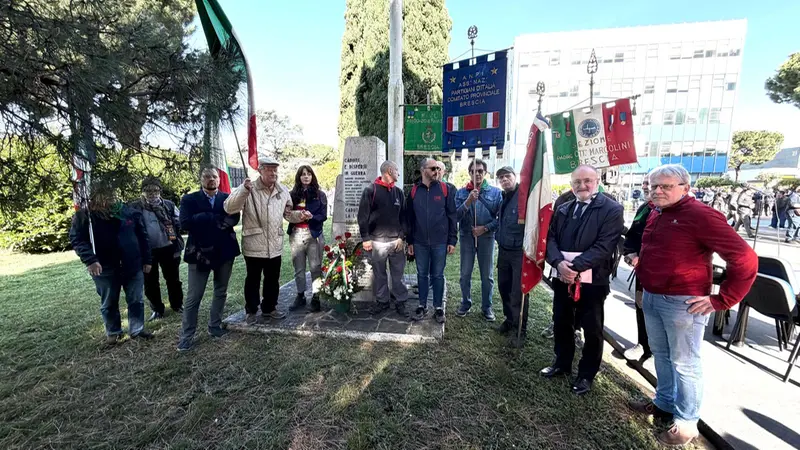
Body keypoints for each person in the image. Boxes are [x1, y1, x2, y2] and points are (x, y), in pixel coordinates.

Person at [630, 164, 757, 446]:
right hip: (652, 296)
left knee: (685, 364)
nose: (658, 191)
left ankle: (687, 424)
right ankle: (663, 403)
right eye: (654, 186)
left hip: (682, 304)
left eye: (666, 186)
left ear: (686, 188)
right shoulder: (656, 212)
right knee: (661, 355)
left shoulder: (701, 215)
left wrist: (722, 299)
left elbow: (745, 259)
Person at [540, 165, 624, 396]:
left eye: (587, 181)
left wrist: (575, 268)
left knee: (592, 329)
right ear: (571, 184)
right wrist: (558, 263)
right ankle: (562, 363)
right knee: (561, 321)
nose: (582, 186)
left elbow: (605, 246)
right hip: (562, 277)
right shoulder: (564, 208)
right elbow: (551, 239)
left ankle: (586, 375)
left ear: (597, 181)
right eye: (577, 182)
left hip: (593, 282)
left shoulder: (612, 209)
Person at [224, 157, 308, 325]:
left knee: (272, 279)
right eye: (269, 169)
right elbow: (229, 207)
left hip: (274, 244)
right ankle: (252, 311)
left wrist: (301, 215)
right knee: (253, 279)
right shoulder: (249, 188)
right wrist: (243, 190)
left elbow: (288, 214)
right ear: (260, 170)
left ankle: (270, 308)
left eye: (275, 169)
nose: (273, 172)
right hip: (254, 244)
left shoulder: (283, 191)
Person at [70, 179, 153, 344]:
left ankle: (137, 329)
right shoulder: (86, 216)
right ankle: (113, 332)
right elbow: (78, 240)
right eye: (107, 194)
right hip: (105, 267)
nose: (112, 197)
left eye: (114, 193)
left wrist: (147, 259)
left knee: (136, 299)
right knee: (109, 301)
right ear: (96, 196)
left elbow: (143, 237)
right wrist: (90, 260)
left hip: (132, 264)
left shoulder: (129, 212)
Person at [178, 165, 241, 351]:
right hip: (199, 254)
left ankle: (214, 326)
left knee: (220, 291)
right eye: (207, 176)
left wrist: (205, 220)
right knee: (194, 297)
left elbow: (234, 219)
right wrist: (211, 217)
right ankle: (187, 336)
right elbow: (185, 223)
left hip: (225, 251)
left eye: (214, 176)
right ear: (201, 179)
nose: (211, 179)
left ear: (219, 179)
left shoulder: (227, 198)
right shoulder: (189, 199)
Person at [406, 158, 457, 324]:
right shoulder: (414, 191)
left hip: (440, 242)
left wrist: (452, 240)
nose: (437, 171)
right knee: (421, 275)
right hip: (419, 242)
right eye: (433, 168)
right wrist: (410, 242)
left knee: (438, 275)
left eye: (437, 168)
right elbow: (410, 219)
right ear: (423, 170)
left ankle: (438, 307)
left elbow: (452, 216)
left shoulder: (445, 189)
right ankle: (422, 305)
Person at [357, 160, 408, 316]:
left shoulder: (399, 192)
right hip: (377, 242)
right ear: (389, 171)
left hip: (396, 243)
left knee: (398, 274)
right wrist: (365, 238)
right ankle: (382, 301)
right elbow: (362, 216)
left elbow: (405, 217)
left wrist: (402, 237)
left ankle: (400, 300)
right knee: (379, 274)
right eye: (397, 170)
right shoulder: (370, 191)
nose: (398, 173)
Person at [129, 177, 184, 321]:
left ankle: (177, 305)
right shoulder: (135, 207)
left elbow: (180, 221)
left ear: (160, 191)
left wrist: (176, 224)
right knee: (150, 282)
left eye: (155, 190)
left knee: (173, 279)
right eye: (148, 190)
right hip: (147, 252)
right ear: (142, 191)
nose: (152, 193)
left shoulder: (169, 205)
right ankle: (157, 309)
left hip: (169, 247)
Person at [454, 158, 502, 320]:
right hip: (467, 237)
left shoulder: (495, 193)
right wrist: (468, 201)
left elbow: (499, 219)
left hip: (486, 238)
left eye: (480, 171)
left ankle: (487, 307)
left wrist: (485, 228)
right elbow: (456, 216)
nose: (477, 174)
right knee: (465, 274)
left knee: (486, 276)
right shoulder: (461, 193)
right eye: (474, 171)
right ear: (469, 173)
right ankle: (465, 302)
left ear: (485, 173)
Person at [493, 166, 529, 347]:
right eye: (501, 178)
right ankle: (509, 320)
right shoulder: (504, 197)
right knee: (503, 287)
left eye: (507, 176)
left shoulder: (524, 196)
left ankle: (519, 330)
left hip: (519, 252)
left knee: (518, 292)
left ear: (515, 177)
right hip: (504, 250)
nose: (504, 180)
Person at [286, 165, 328, 312]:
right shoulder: (292, 194)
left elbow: (323, 216)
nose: (306, 177)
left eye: (309, 174)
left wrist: (311, 217)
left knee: (315, 267)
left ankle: (316, 296)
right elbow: (287, 214)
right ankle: (300, 295)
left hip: (313, 234)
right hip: (296, 234)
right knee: (299, 268)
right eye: (303, 174)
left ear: (312, 176)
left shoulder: (320, 194)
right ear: (299, 177)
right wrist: (297, 216)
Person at [622, 179, 653, 363]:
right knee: (642, 307)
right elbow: (632, 235)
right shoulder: (645, 208)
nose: (647, 187)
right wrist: (631, 253)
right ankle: (643, 345)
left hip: (674, 283)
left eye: (653, 183)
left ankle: (658, 353)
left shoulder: (691, 212)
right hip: (644, 273)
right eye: (646, 183)